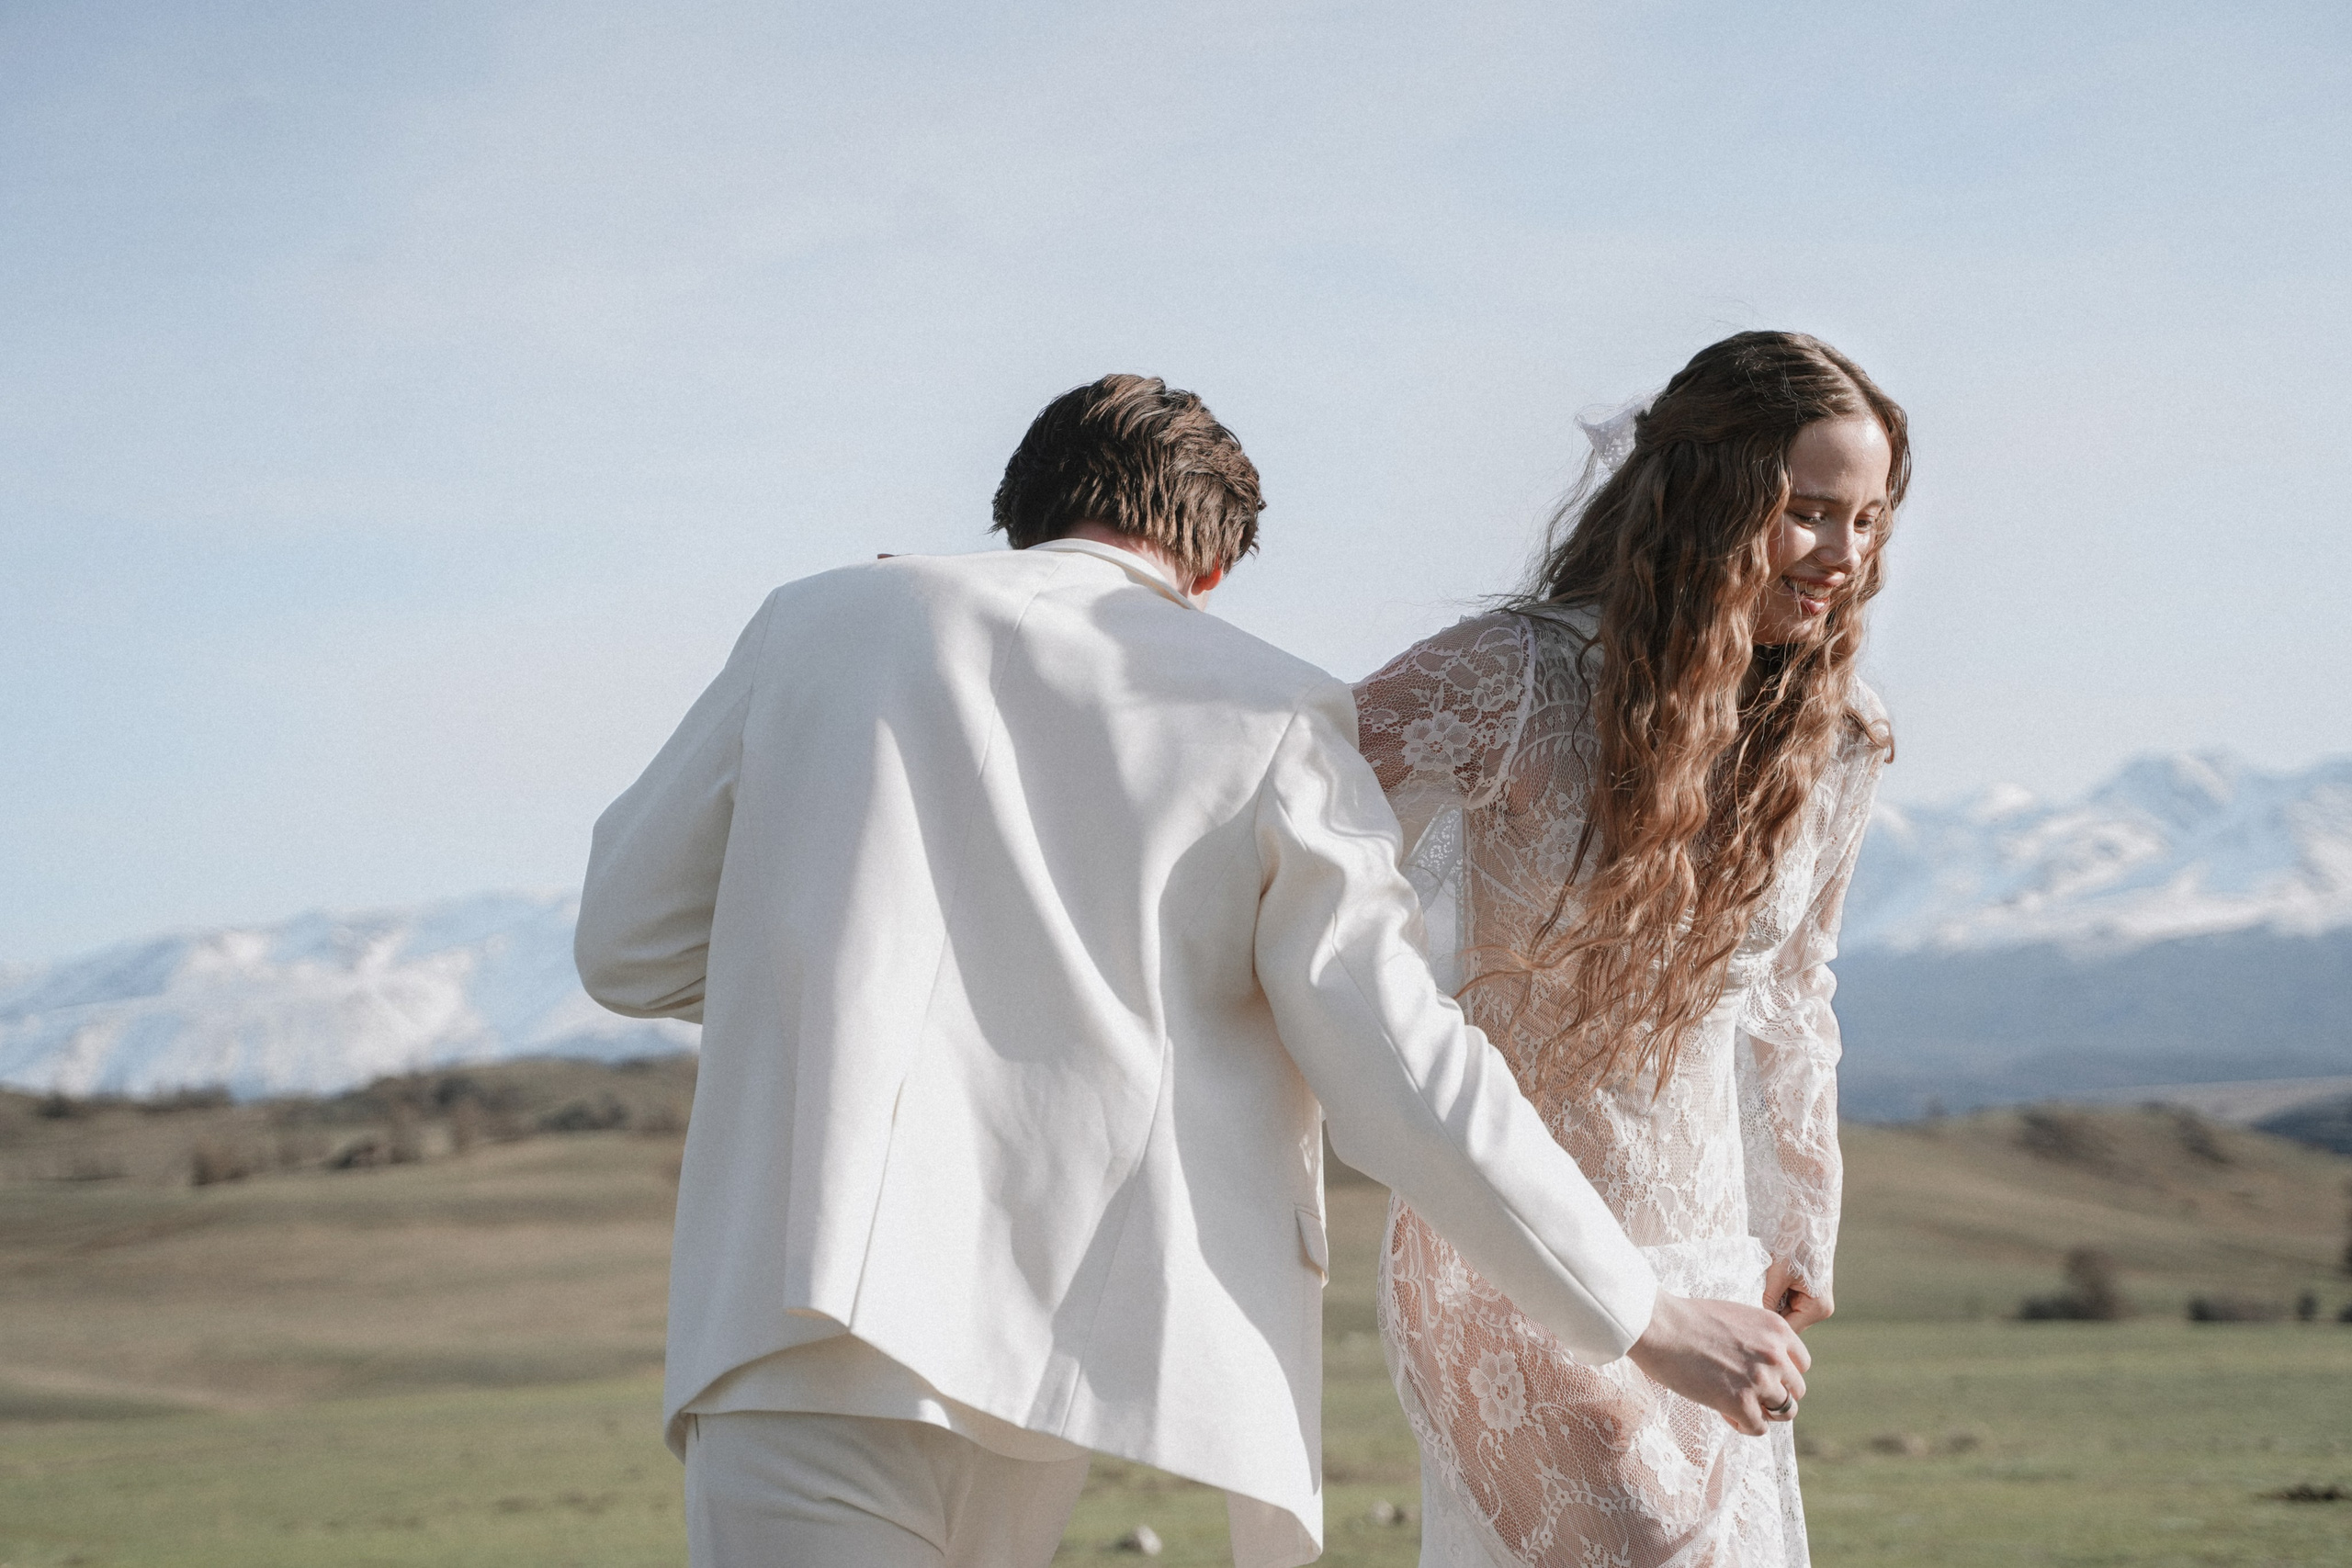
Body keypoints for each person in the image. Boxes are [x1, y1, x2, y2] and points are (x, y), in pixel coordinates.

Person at [575, 373, 1807, 1568]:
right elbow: (1402, 1063)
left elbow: (626, 945)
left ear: (1018, 516)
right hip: (1041, 1357)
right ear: (1211, 573)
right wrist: (1639, 1314)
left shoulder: (823, 620)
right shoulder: (1276, 710)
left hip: (798, 1314)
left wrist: (840, 962)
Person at [1359, 332, 1904, 1568]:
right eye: (1809, 511)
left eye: (1869, 519)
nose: (1845, 554)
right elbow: (1269, 799)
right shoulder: (1513, 678)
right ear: (1709, 501)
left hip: (1712, 1247)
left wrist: (1801, 1223)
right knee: (1650, 1544)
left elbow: (1793, 991)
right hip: (1507, 1241)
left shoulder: (1837, 736)